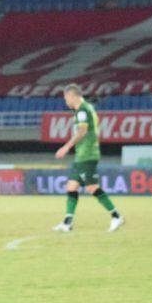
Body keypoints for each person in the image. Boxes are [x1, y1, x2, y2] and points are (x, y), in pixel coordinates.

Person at [53, 85, 124, 233]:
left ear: (72, 96)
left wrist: (66, 147)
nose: (65, 101)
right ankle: (67, 222)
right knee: (72, 187)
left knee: (92, 187)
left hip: (87, 154)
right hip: (82, 154)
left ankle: (116, 216)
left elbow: (83, 131)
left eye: (66, 98)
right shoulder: (87, 107)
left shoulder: (82, 111)